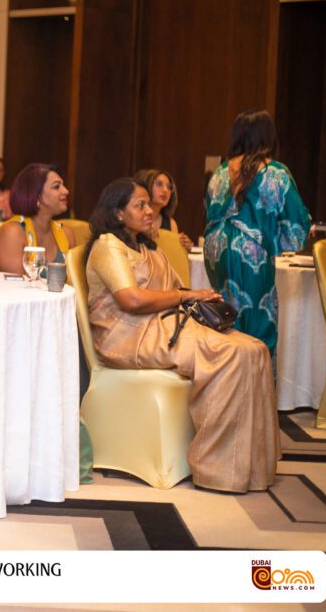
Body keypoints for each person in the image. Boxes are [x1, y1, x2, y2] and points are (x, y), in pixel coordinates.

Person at [86, 178, 278, 493]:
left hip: (159, 325)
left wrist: (198, 296)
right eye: (140, 205)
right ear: (118, 213)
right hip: (127, 334)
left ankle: (253, 468)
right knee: (229, 354)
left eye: (148, 204)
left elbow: (172, 290)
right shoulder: (108, 245)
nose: (149, 211)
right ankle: (218, 469)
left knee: (254, 349)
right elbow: (131, 300)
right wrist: (186, 296)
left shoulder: (146, 246)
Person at [203, 109, 311, 354]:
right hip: (249, 251)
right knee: (258, 326)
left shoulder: (219, 172)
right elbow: (296, 222)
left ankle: (225, 373)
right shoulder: (274, 171)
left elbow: (207, 210)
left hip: (215, 249)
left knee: (225, 320)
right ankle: (255, 378)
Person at [0, 163, 76, 273]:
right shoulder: (12, 233)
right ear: (36, 196)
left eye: (63, 185)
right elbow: (16, 283)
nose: (66, 191)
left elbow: (73, 280)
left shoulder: (66, 234)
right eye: (56, 186)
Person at [134, 169, 193, 250]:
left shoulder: (171, 224)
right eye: (159, 184)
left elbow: (171, 253)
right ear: (147, 186)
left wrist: (183, 248)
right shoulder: (134, 218)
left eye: (169, 187)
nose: (165, 190)